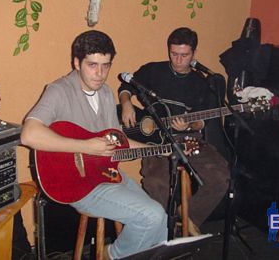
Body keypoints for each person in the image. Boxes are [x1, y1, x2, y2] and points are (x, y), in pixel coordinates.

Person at [20, 30, 168, 260]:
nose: (100, 74)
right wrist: (85, 147)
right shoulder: (59, 91)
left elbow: (118, 141)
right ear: (76, 62)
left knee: (160, 225)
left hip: (107, 175)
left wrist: (162, 149)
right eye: (92, 65)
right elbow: (29, 134)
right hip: (78, 184)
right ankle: (110, 255)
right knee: (152, 216)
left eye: (106, 66)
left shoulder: (107, 93)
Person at [118, 27, 229, 235]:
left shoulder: (202, 83)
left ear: (194, 54)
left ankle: (189, 216)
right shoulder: (154, 71)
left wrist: (189, 125)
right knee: (155, 182)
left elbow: (202, 121)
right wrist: (126, 103)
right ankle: (157, 232)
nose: (178, 60)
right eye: (174, 54)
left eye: (184, 55)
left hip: (190, 140)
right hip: (156, 142)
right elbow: (127, 85)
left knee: (220, 177)